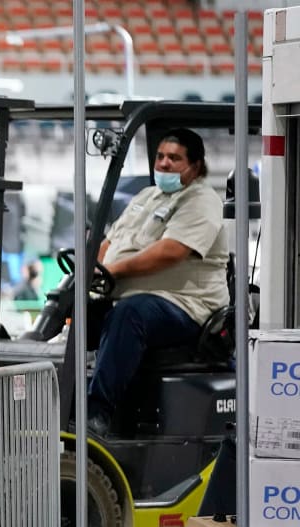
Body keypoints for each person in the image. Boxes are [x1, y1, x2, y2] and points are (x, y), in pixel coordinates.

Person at [87, 128, 228, 435]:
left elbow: (170, 252)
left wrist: (113, 272)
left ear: (196, 167)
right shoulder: (146, 196)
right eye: (160, 157)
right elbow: (111, 240)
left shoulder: (201, 200)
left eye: (174, 158)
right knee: (80, 311)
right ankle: (59, 406)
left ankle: (96, 415)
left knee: (130, 315)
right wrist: (89, 270)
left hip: (186, 306)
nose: (164, 164)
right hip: (132, 296)